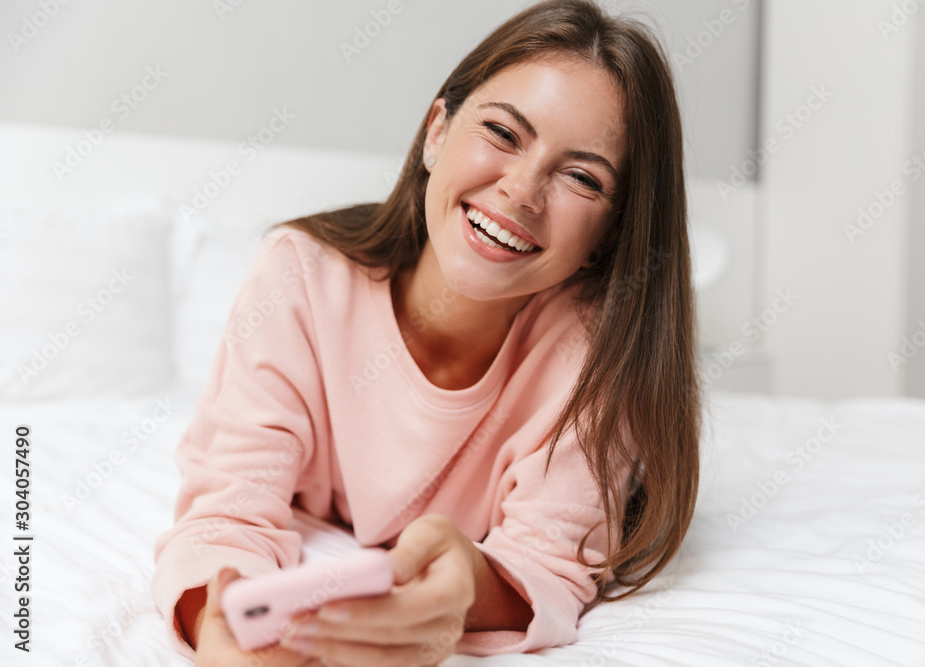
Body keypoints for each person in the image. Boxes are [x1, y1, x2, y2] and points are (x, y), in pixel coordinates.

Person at [151, 0, 702, 664]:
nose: (522, 191)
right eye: (503, 133)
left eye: (581, 176)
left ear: (607, 236)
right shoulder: (300, 277)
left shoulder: (595, 356)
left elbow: (545, 562)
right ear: (437, 131)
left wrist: (465, 584)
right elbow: (227, 508)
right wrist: (223, 624)